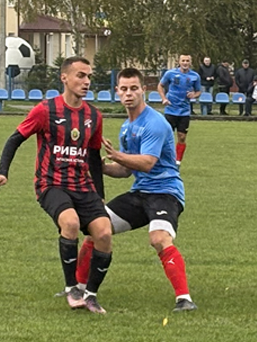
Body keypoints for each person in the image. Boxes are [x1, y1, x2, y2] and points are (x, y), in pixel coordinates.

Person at [0, 56, 113, 313]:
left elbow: (92, 156)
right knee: (71, 223)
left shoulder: (94, 116)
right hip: (51, 184)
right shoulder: (45, 110)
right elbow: (14, 139)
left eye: (89, 76)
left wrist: (100, 194)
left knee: (104, 233)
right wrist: (2, 172)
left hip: (83, 186)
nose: (86, 81)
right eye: (80, 75)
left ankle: (90, 295)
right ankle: (72, 288)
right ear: (64, 78)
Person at [79, 66, 196, 313]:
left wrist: (117, 155)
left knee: (159, 238)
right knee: (97, 227)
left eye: (134, 88)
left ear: (143, 90)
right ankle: (77, 288)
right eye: (124, 89)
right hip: (140, 193)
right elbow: (126, 170)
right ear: (117, 92)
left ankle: (184, 299)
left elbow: (147, 162)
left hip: (165, 192)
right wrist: (101, 167)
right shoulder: (126, 127)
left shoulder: (155, 123)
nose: (128, 94)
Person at [157, 54, 202, 165]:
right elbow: (160, 85)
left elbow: (198, 91)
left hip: (184, 111)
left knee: (182, 137)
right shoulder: (170, 73)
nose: (185, 63)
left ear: (190, 62)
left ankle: (177, 161)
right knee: (166, 137)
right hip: (171, 110)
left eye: (187, 61)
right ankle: (163, 159)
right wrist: (164, 98)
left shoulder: (195, 76)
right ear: (179, 62)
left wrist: (194, 95)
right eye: (183, 61)